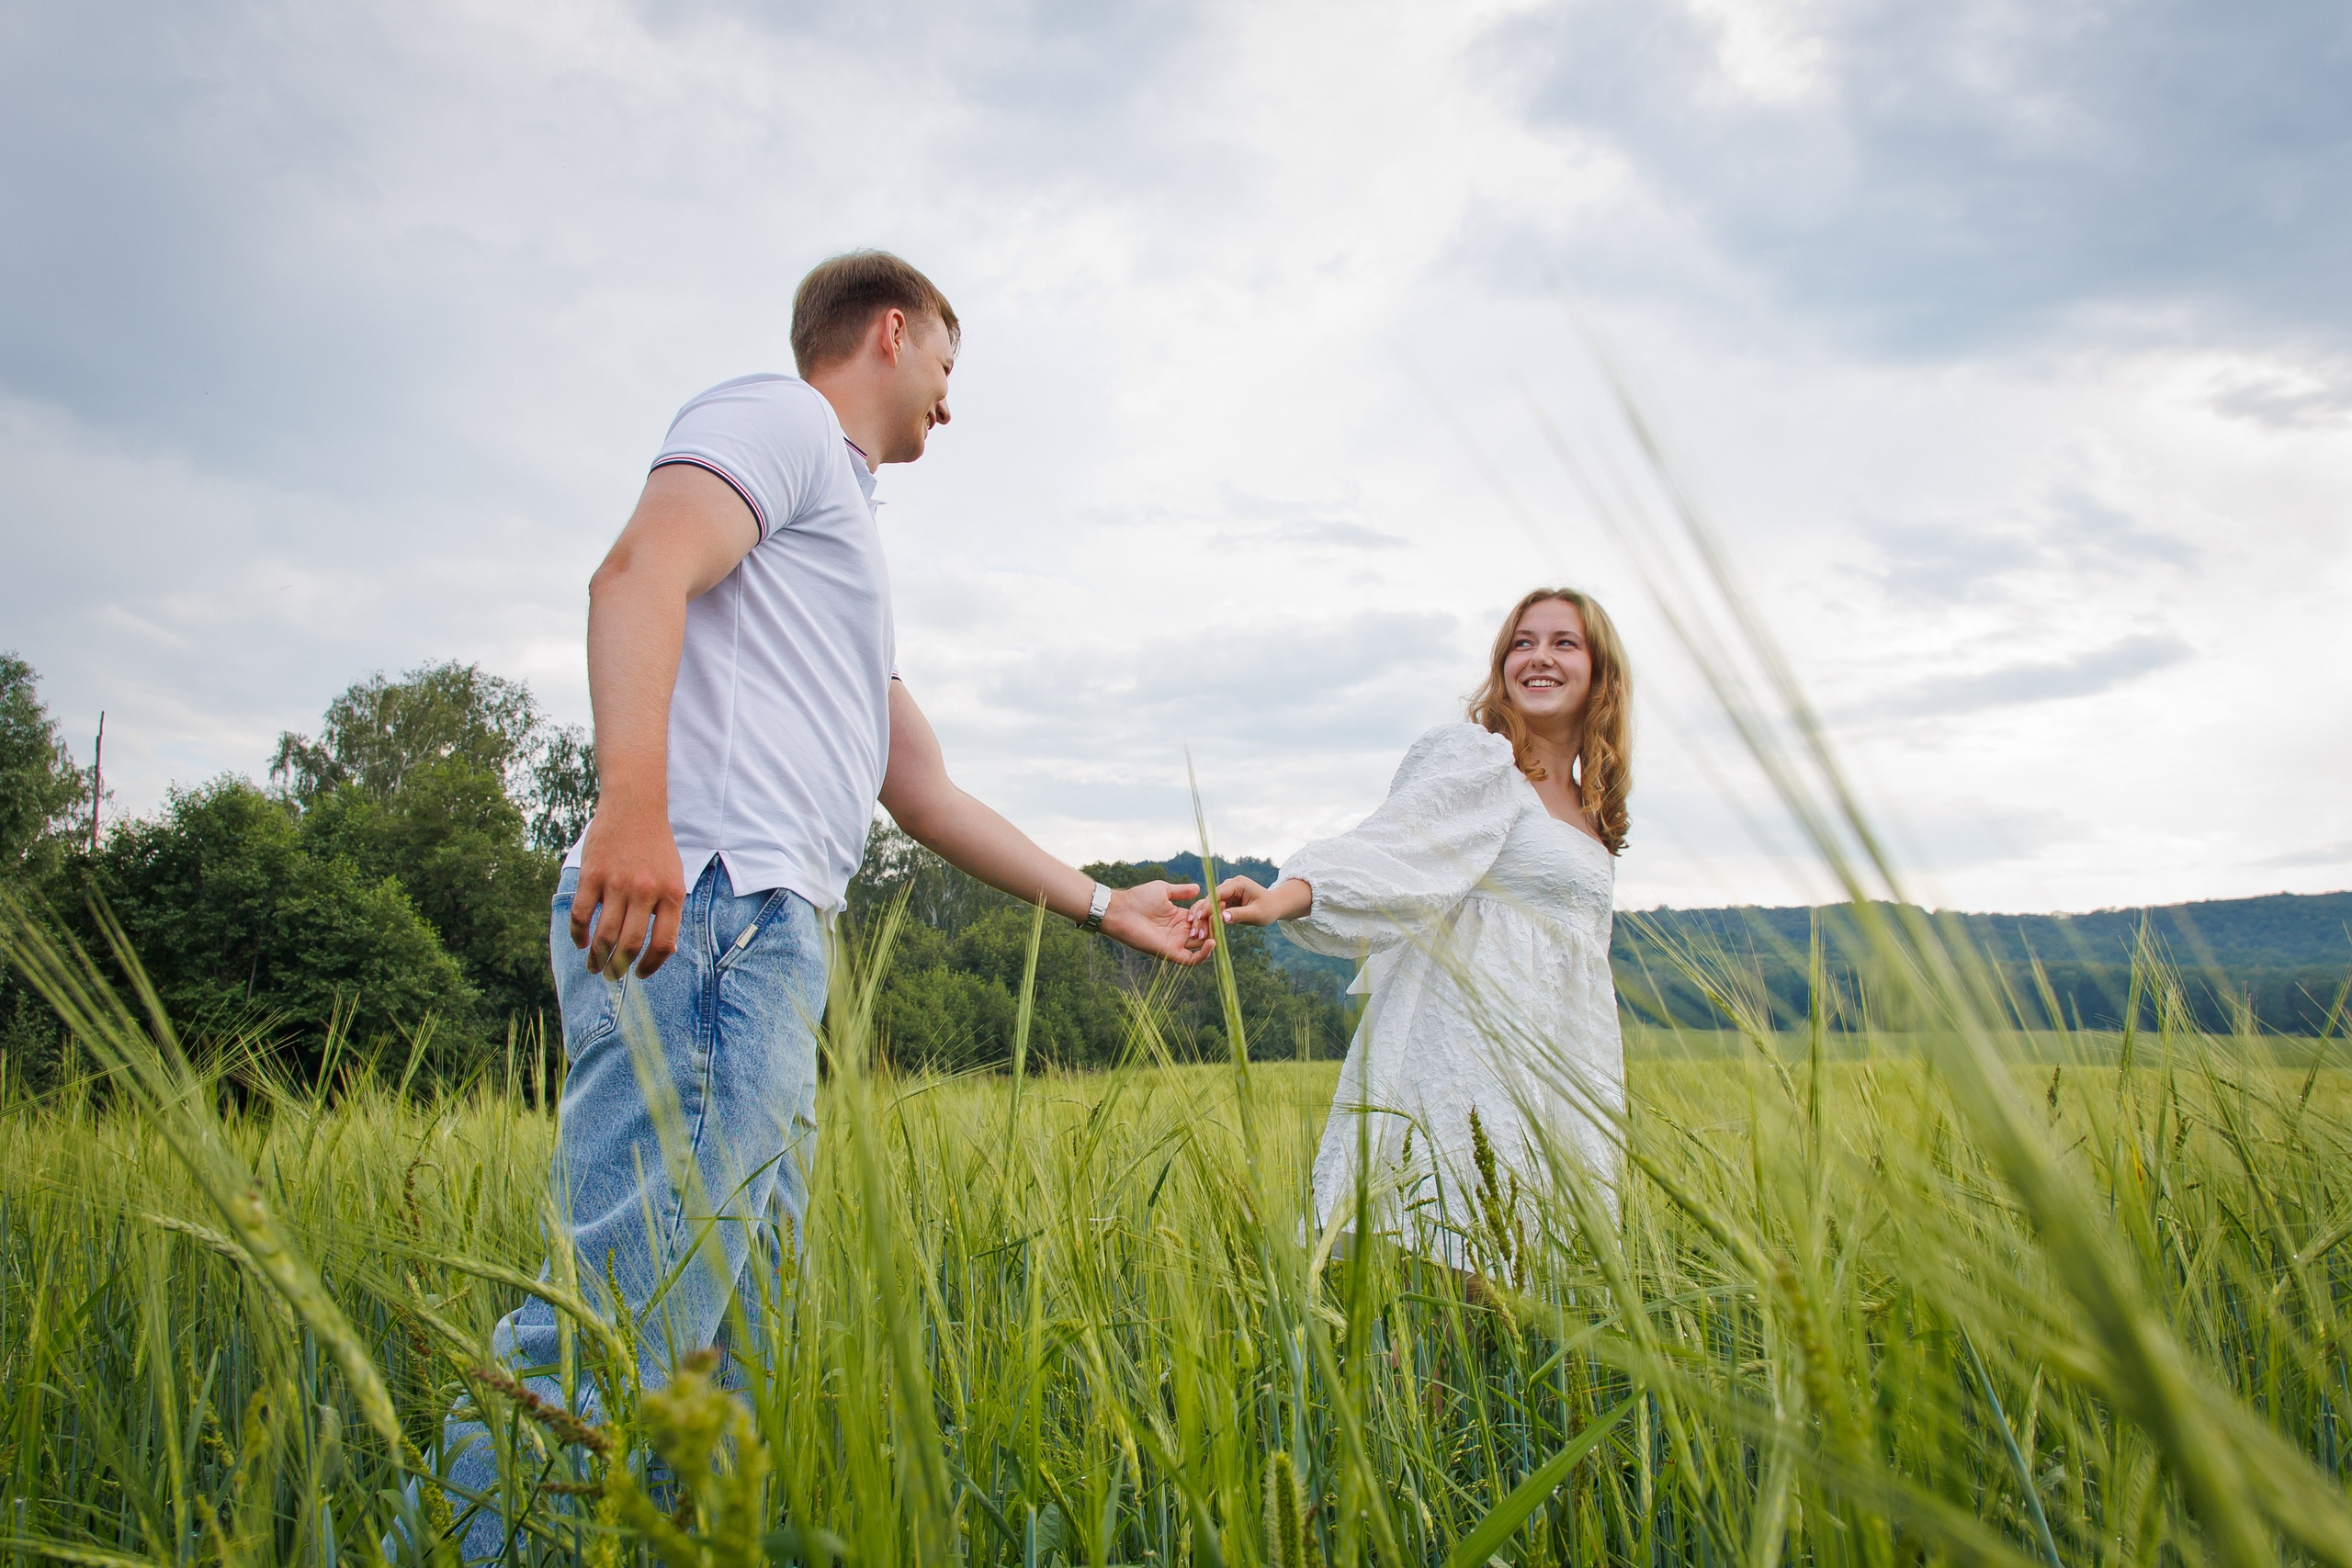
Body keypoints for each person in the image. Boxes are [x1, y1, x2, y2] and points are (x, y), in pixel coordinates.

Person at [412, 252, 1207, 1559]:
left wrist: (1100, 904)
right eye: (950, 362)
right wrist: (633, 808)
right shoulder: (780, 422)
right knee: (625, 1321)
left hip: (766, 940)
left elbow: (919, 784)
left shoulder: (841, 536)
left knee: (722, 1356)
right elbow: (636, 573)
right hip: (714, 907)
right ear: (890, 332)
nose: (953, 400)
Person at [1203, 588, 1631, 1263]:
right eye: (1522, 643)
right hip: (1469, 1053)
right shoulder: (1483, 762)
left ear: (1600, 671)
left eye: (1562, 642)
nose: (1539, 657)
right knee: (1451, 1280)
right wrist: (1287, 894)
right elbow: (1394, 851)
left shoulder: (1594, 812)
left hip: (1563, 1066)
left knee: (1529, 1296)